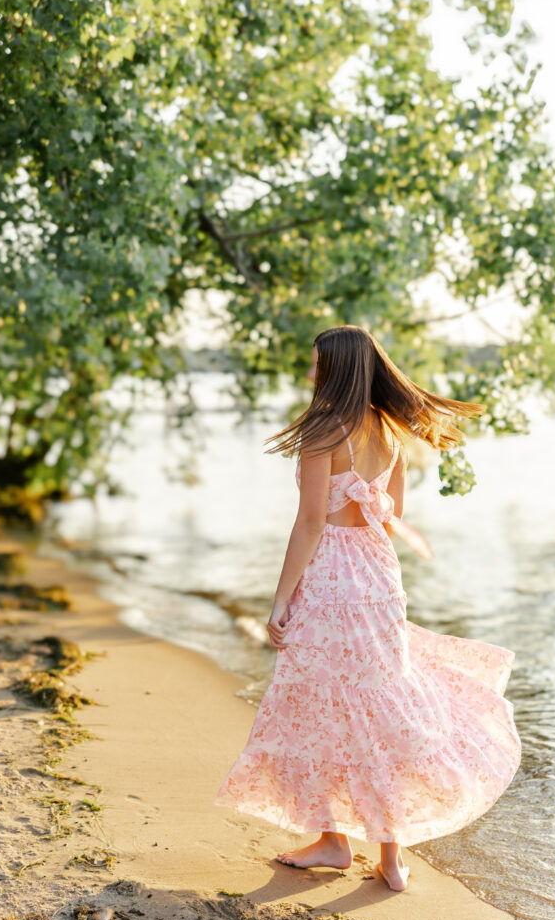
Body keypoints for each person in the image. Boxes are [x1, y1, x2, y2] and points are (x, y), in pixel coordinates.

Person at [215, 325, 521, 891]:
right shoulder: (388, 431)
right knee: (382, 700)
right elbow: (391, 511)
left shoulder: (322, 433)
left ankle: (334, 841)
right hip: (379, 576)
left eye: (317, 364)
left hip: (334, 577)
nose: (311, 373)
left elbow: (310, 523)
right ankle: (389, 856)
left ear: (337, 369)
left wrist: (280, 599)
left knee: (325, 703)